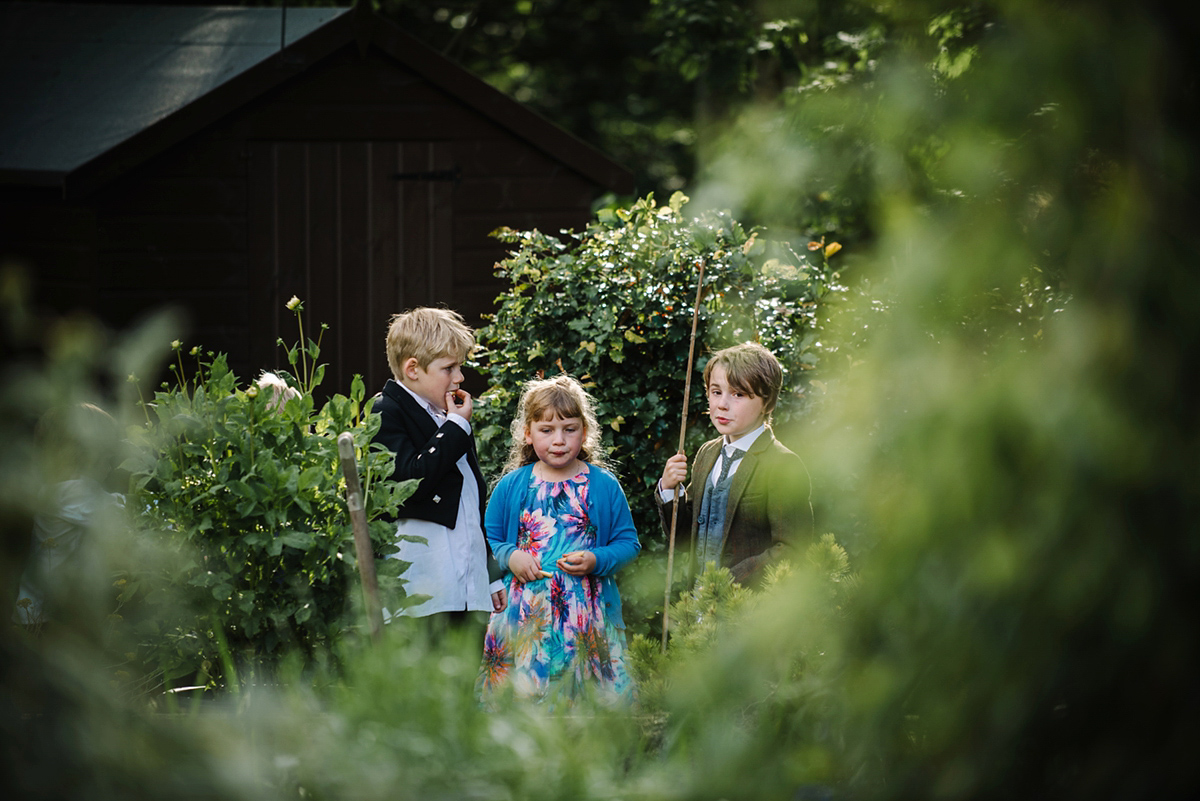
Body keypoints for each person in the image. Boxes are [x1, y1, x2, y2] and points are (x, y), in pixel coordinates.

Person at [477, 375, 640, 706]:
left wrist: (597, 560)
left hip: (587, 613)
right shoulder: (512, 486)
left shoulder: (603, 486)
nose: (559, 440)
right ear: (527, 433)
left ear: (585, 430)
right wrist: (511, 556)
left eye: (569, 429)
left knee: (588, 704)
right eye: (546, 430)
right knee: (522, 702)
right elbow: (488, 536)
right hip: (524, 615)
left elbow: (628, 543)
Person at [370, 307, 505, 636]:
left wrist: (489, 573)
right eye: (448, 368)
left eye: (459, 367)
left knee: (463, 683)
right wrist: (457, 427)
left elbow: (472, 501)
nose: (459, 378)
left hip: (466, 587)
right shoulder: (385, 410)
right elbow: (409, 481)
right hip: (421, 589)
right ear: (413, 369)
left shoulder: (449, 416)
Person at [655, 342, 812, 587]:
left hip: (748, 611)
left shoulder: (782, 464)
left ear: (768, 404)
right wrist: (668, 489)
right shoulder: (707, 454)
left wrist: (730, 581)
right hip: (697, 606)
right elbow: (687, 538)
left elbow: (792, 548)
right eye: (716, 392)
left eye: (738, 394)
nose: (722, 404)